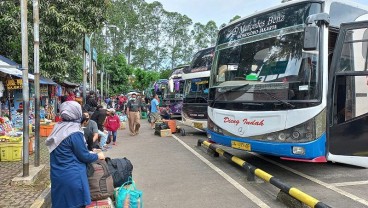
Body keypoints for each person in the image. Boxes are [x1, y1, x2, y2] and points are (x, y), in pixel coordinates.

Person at [45, 101, 105, 208]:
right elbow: (84, 156)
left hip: (58, 175)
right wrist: (97, 156)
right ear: (76, 113)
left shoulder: (58, 127)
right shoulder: (74, 132)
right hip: (73, 177)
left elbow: (67, 151)